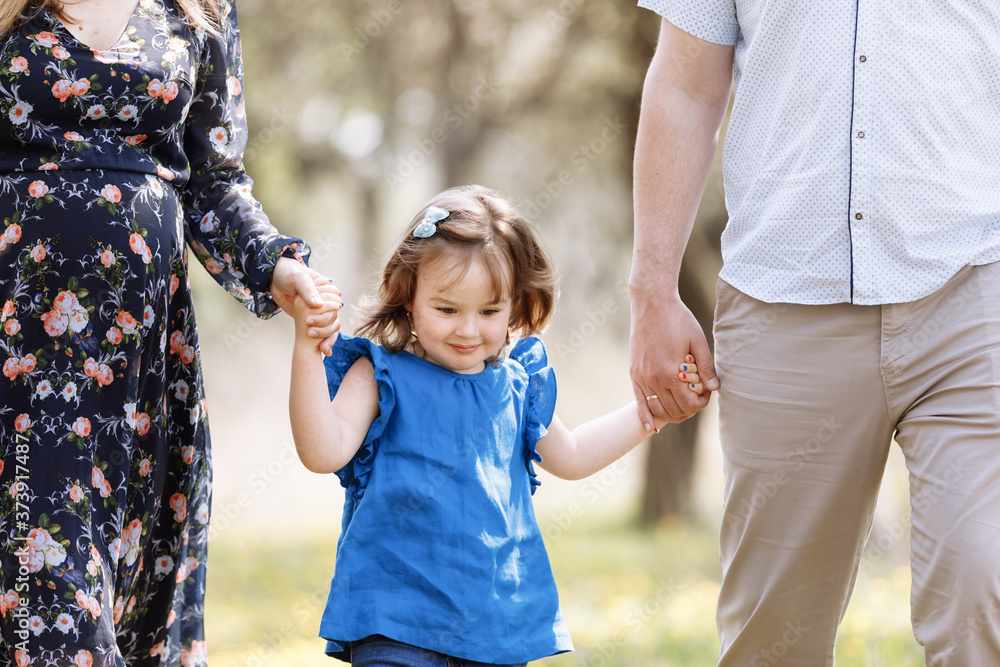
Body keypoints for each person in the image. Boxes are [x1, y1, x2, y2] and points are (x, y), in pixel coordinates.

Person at [630, 3, 1000, 666]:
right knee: (774, 639)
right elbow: (685, 85)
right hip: (785, 299)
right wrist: (652, 291)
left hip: (973, 294)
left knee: (984, 589)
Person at [0, 1, 339, 665]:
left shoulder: (199, 9)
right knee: (51, 597)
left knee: (127, 607)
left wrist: (274, 265)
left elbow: (213, 181)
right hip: (20, 356)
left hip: (141, 368)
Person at [286, 185, 703, 666]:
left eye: (489, 311)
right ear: (408, 298)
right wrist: (306, 348)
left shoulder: (516, 384)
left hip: (494, 629)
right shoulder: (380, 374)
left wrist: (653, 411)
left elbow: (573, 456)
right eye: (447, 309)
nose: (468, 330)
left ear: (515, 305)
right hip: (394, 620)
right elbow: (323, 452)